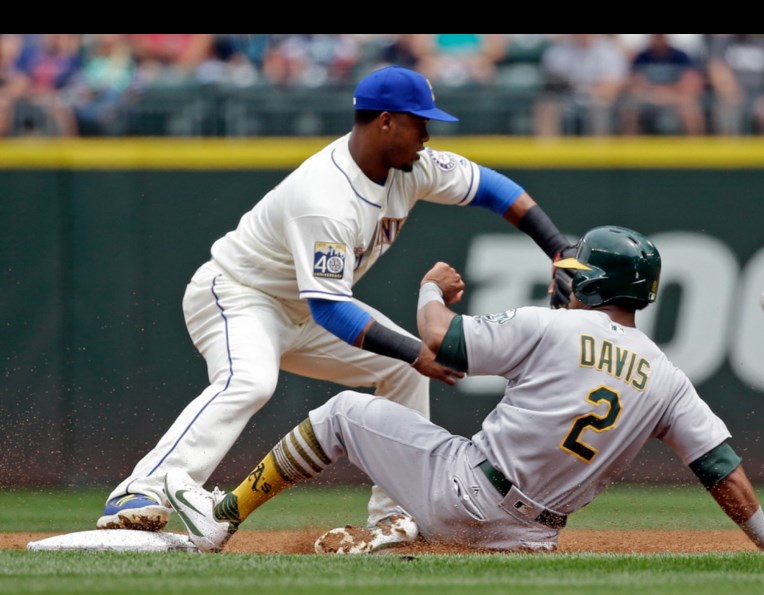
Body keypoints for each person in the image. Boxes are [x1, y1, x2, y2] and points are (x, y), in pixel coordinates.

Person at [97, 65, 576, 553]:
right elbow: (331, 310)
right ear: (386, 121)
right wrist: (417, 351)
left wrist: (558, 247)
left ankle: (394, 514)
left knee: (401, 370)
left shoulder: (413, 167)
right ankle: (140, 490)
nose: (428, 134)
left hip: (302, 309)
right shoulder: (325, 195)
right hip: (240, 294)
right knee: (250, 380)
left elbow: (494, 189)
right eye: (420, 122)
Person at [162, 225, 764, 555]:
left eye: (577, 275)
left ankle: (221, 519)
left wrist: (429, 289)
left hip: (465, 493)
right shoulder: (667, 377)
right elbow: (722, 470)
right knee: (422, 445)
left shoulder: (549, 325)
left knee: (343, 412)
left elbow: (440, 343)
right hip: (533, 537)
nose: (566, 282)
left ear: (596, 286)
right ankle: (398, 534)